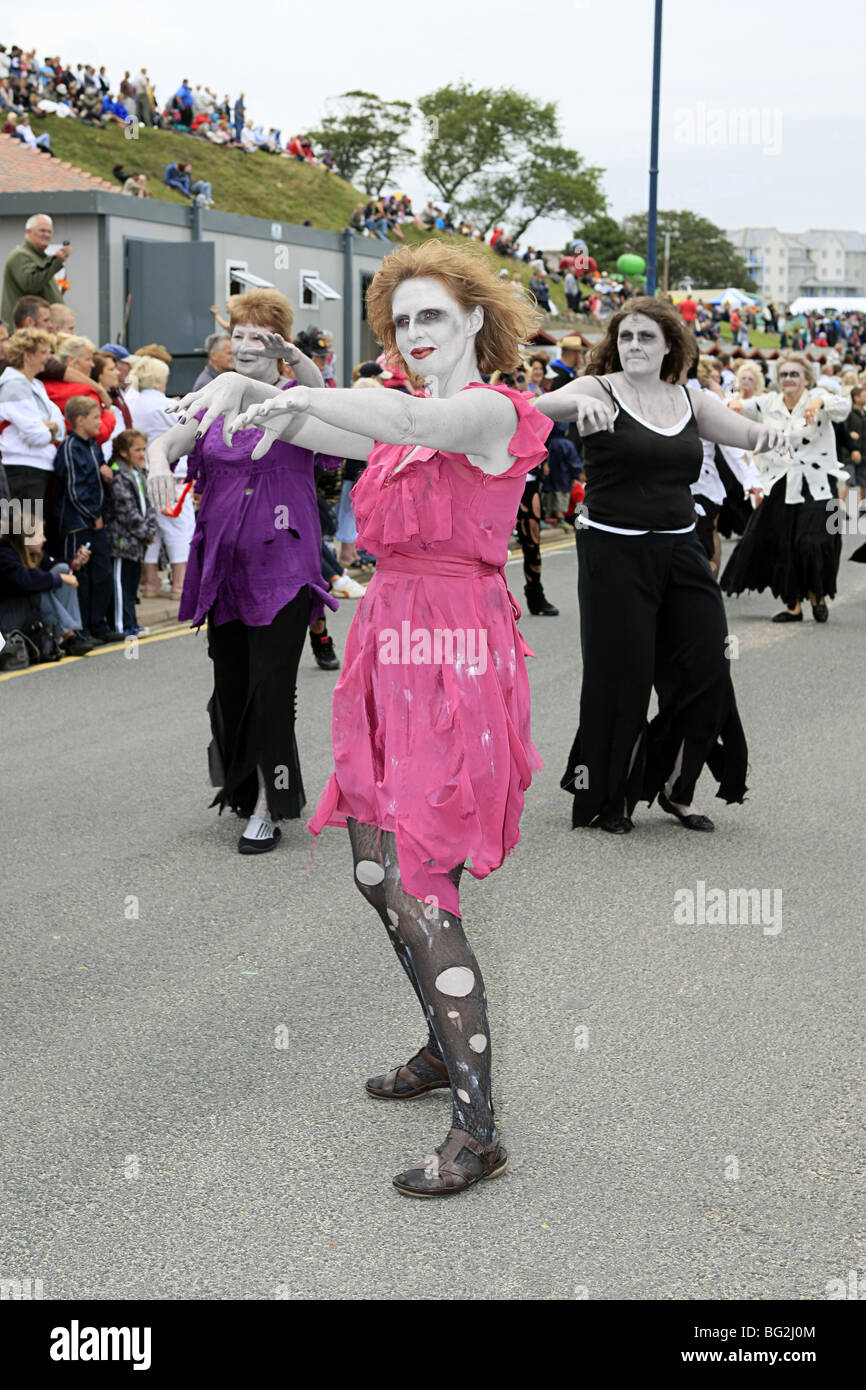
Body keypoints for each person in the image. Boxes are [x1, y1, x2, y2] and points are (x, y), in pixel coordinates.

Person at [171, 241, 553, 1198]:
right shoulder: (399, 423)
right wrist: (248, 397)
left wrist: (292, 394)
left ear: (475, 321)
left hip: (456, 656)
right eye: (402, 321)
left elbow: (396, 413)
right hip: (388, 641)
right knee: (375, 870)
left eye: (433, 317)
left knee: (423, 882)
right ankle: (439, 1041)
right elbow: (341, 425)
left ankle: (479, 1127)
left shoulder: (489, 413)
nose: (417, 335)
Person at [536, 296, 788, 834]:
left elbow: (744, 434)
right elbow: (536, 409)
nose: (634, 346)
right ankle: (614, 796)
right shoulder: (597, 389)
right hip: (612, 552)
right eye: (625, 337)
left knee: (707, 666)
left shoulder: (689, 399)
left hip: (681, 548)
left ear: (671, 345)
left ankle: (676, 786)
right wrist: (575, 408)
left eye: (646, 337)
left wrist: (767, 436)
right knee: (622, 675)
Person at [145, 289, 342, 855]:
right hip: (224, 568)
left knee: (270, 691)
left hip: (284, 565)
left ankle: (267, 804)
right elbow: (171, 439)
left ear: (278, 344)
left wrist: (297, 359)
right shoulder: (211, 398)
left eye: (259, 336)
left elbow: (323, 400)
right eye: (238, 335)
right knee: (229, 690)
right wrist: (159, 461)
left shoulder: (293, 397)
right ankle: (241, 783)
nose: (245, 345)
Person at [721, 352, 851, 623]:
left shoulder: (819, 398)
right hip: (781, 482)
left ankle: (817, 594)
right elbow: (737, 405)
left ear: (805, 379)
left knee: (815, 542)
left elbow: (843, 407)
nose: (789, 379)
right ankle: (793, 604)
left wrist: (819, 399)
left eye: (794, 374)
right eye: (784, 375)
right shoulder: (769, 402)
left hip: (817, 485)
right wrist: (732, 400)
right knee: (782, 543)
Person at [54, 394, 123, 644]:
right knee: (79, 574)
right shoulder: (70, 448)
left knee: (101, 573)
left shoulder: (94, 446)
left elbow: (100, 473)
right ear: (80, 420)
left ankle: (98, 624)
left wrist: (107, 474)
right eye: (96, 418)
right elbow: (74, 489)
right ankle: (80, 628)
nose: (100, 423)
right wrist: (93, 515)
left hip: (96, 520)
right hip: (78, 523)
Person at [128, 354, 195, 599]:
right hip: (171, 473)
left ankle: (150, 581)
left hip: (143, 472)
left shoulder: (132, 402)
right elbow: (190, 425)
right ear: (159, 379)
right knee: (180, 528)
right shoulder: (162, 404)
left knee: (153, 529)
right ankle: (179, 583)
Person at [0, 521, 91, 657]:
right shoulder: (5, 553)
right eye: (40, 535)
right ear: (26, 538)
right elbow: (25, 579)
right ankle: (67, 636)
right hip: (8, 619)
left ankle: (69, 633)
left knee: (63, 570)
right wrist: (59, 578)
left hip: (26, 614)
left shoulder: (33, 553)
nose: (44, 539)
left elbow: (53, 566)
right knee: (40, 588)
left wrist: (75, 564)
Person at [0, 327, 65, 507]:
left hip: (36, 469)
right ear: (27, 356)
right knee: (22, 532)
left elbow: (60, 424)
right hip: (21, 471)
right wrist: (50, 429)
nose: (48, 357)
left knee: (31, 533)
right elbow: (37, 436)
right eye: (43, 352)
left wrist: (50, 428)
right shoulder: (14, 387)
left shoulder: (36, 385)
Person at [105, 428, 157, 636]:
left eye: (144, 449)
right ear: (124, 452)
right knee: (120, 586)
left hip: (137, 539)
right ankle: (121, 625)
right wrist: (145, 532)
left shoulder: (140, 472)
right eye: (137, 449)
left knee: (131, 585)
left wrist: (150, 529)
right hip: (122, 540)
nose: (142, 454)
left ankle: (132, 622)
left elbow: (150, 503)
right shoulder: (118, 474)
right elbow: (126, 510)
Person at [1, 214, 70, 324]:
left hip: (38, 329)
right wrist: (56, 262)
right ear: (28, 232)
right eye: (42, 231)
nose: (46, 235)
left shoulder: (39, 257)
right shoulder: (20, 256)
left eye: (49, 232)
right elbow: (31, 284)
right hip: (26, 332)